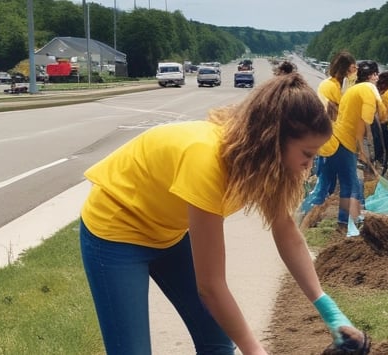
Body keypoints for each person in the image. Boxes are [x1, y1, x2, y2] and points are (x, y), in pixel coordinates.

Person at [79, 62, 367, 355]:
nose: (310, 164)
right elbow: (211, 286)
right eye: (307, 154)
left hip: (167, 233)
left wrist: (328, 310)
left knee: (217, 343)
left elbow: (287, 233)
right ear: (272, 141)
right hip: (115, 231)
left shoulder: (266, 167)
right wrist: (255, 350)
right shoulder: (207, 160)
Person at [302, 60, 386, 232]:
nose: (378, 78)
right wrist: (368, 152)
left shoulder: (351, 89)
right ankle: (345, 224)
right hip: (341, 142)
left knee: (326, 185)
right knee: (350, 184)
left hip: (332, 140)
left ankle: (301, 216)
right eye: (376, 74)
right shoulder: (369, 89)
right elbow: (368, 122)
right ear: (371, 76)